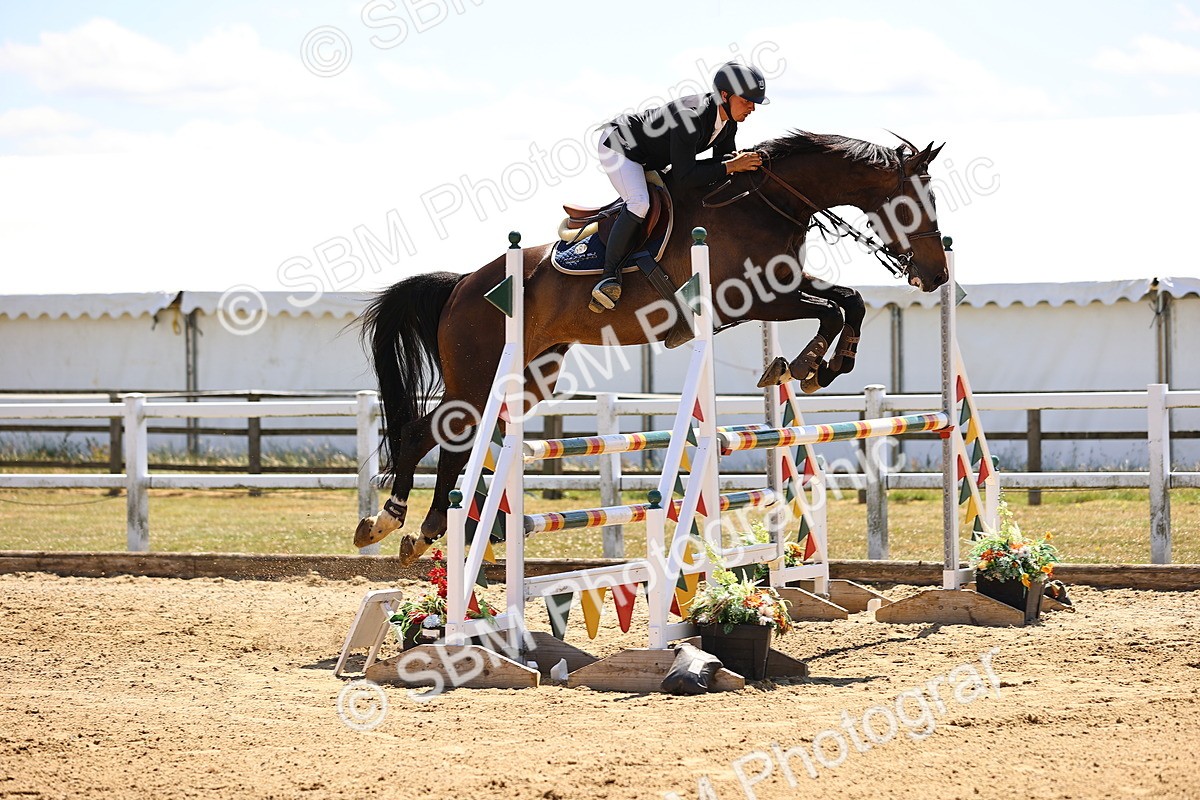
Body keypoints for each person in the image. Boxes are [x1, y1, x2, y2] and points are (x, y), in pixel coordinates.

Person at [590, 61, 769, 313]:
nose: (752, 107)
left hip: (652, 156)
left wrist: (743, 166)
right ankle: (608, 277)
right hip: (621, 146)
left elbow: (723, 165)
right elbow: (686, 176)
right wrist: (732, 166)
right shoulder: (691, 117)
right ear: (725, 95)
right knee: (639, 202)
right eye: (747, 101)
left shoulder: (728, 123)